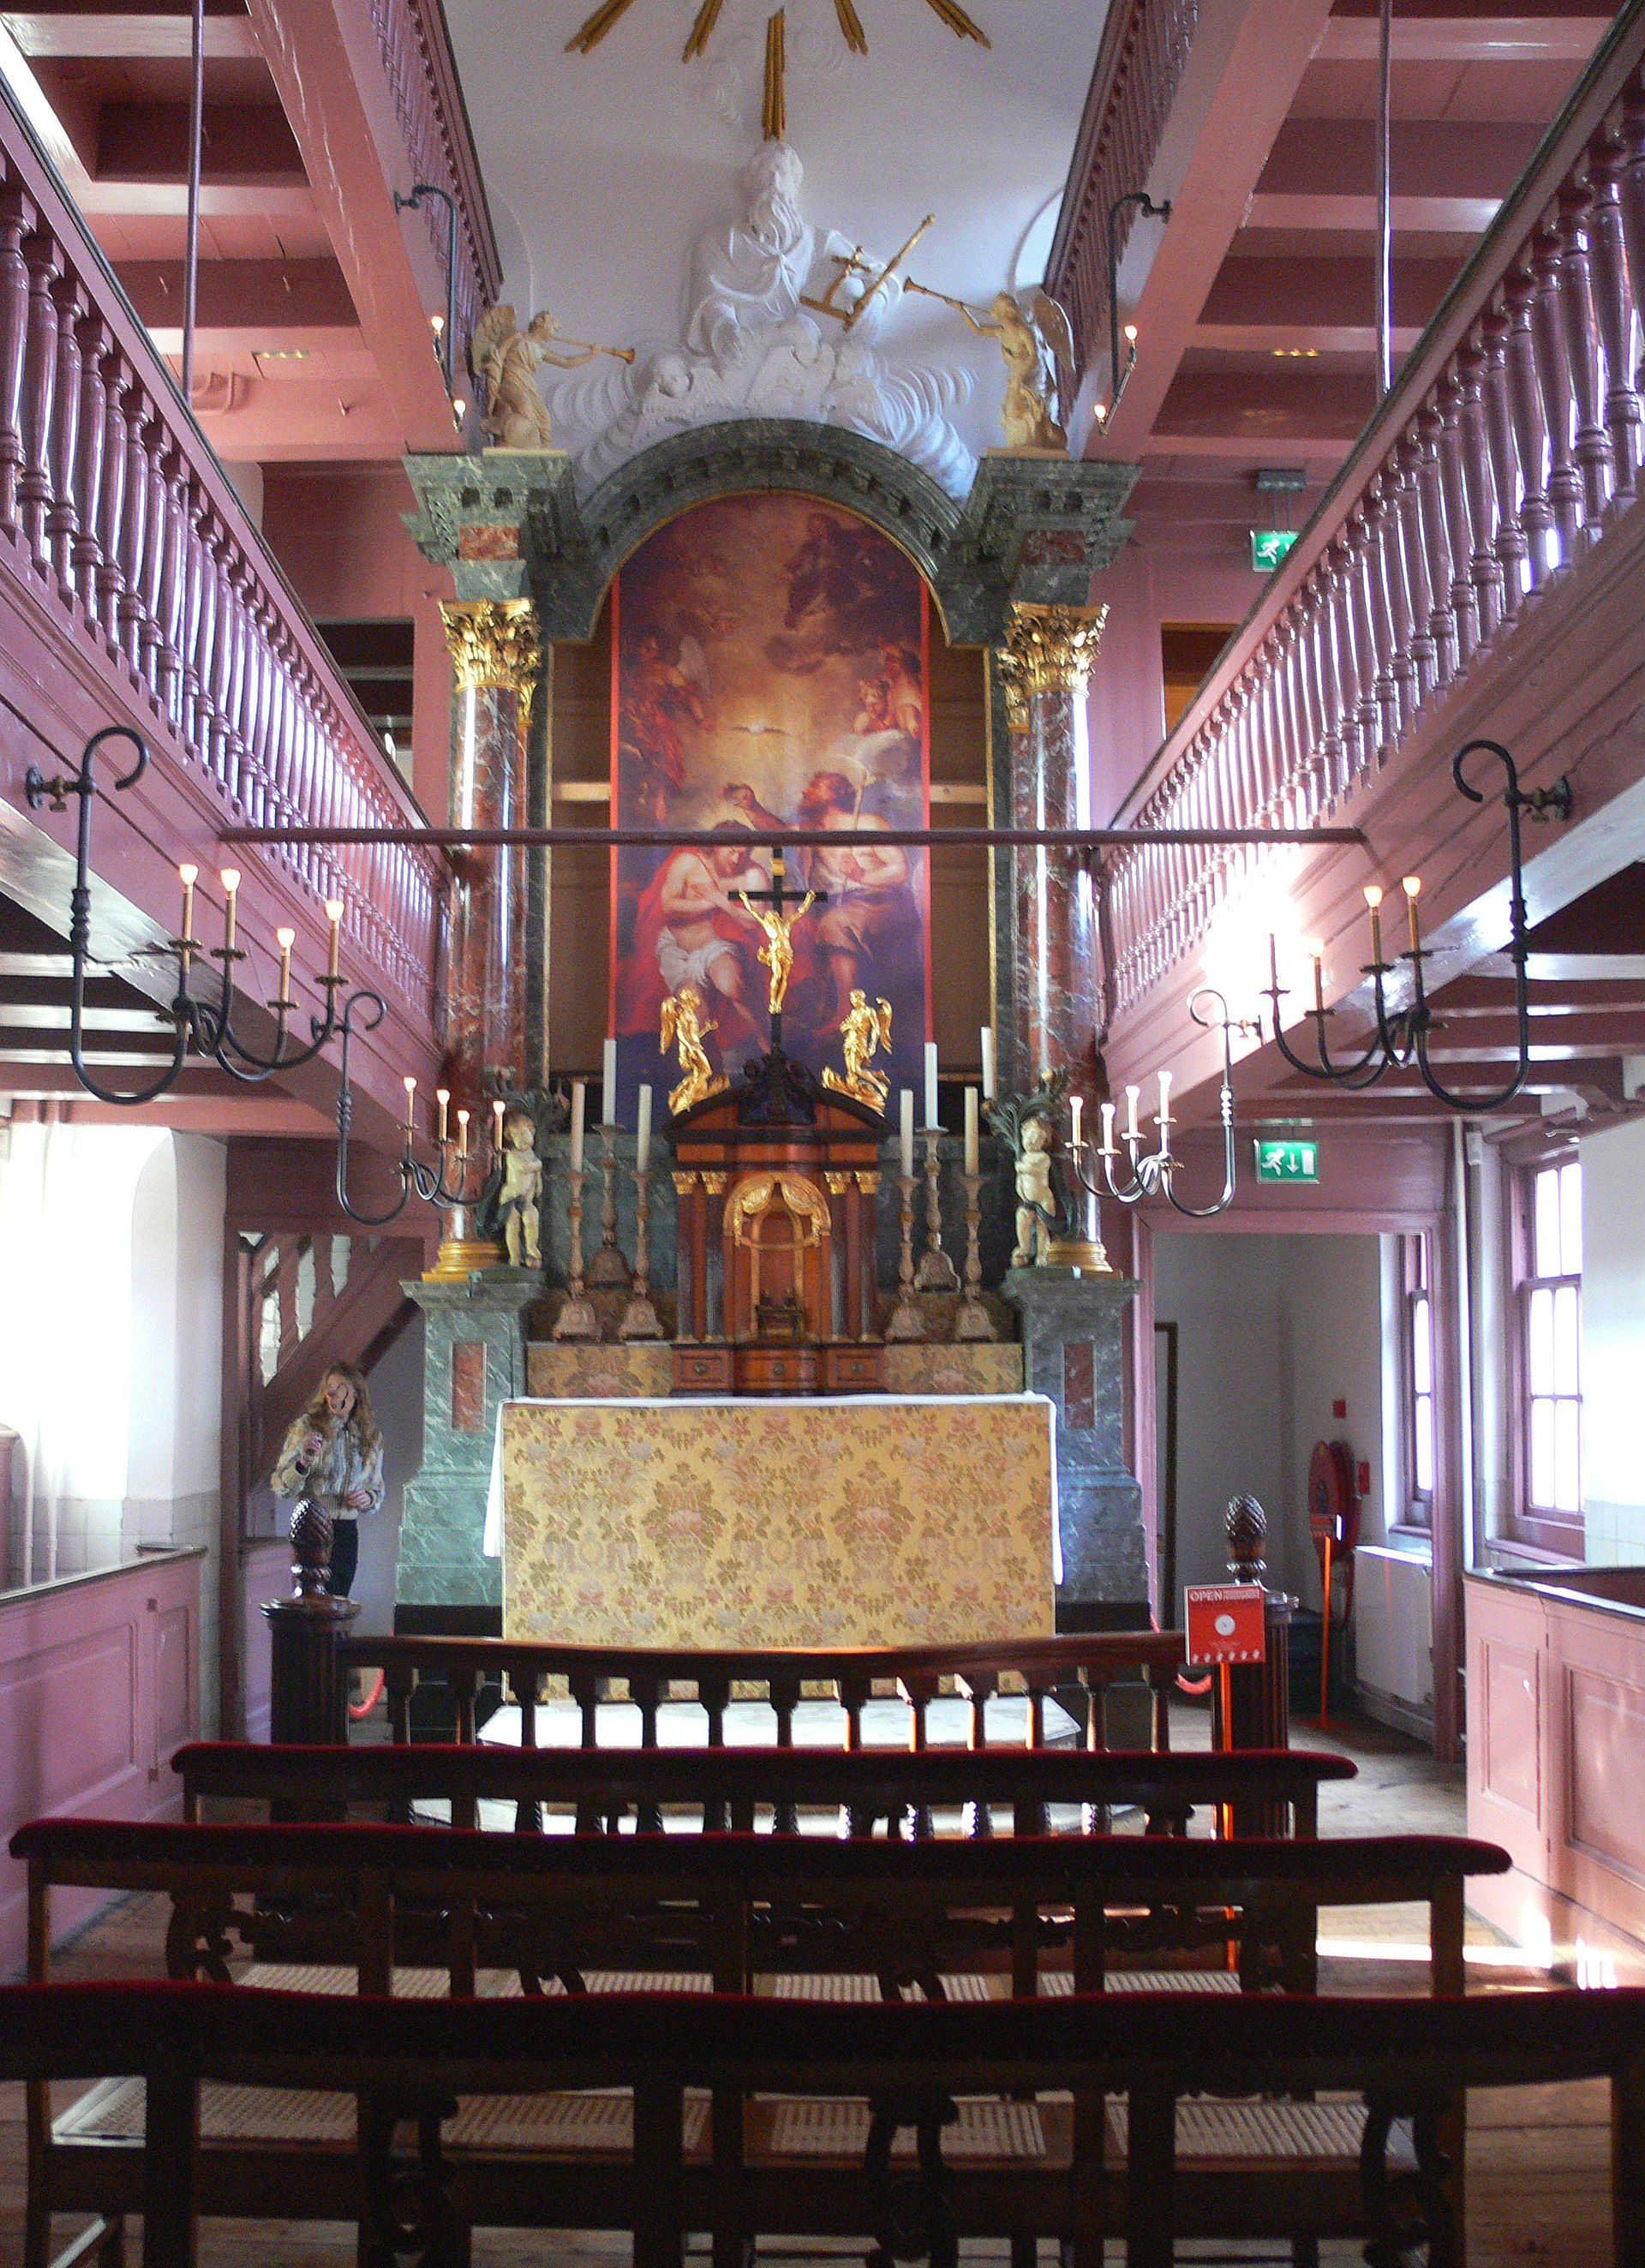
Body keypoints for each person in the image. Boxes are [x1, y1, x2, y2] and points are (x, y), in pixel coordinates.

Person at [270, 1361, 384, 1600]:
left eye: (340, 1390)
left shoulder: (368, 1435)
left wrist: (368, 1497)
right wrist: (303, 1462)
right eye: (329, 1389)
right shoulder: (306, 1428)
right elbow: (281, 1486)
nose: (333, 1396)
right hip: (312, 1527)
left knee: (339, 1601)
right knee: (312, 1601)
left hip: (346, 1530)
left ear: (355, 1395)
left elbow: (376, 1487)